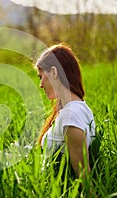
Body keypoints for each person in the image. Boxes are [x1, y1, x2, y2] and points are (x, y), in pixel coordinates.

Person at [35, 44, 95, 178]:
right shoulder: (76, 108)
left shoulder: (71, 115)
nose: (40, 85)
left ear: (54, 72)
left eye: (41, 77)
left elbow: (84, 176)